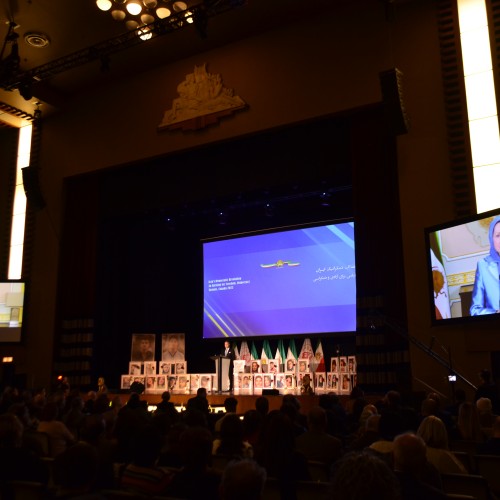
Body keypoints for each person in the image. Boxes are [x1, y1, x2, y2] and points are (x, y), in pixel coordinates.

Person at [470, 215, 500, 316]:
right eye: (498, 235)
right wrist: (495, 313)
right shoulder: (483, 266)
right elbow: (474, 310)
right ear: (492, 239)